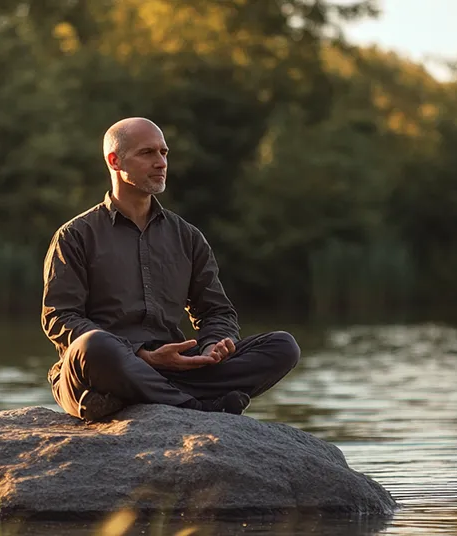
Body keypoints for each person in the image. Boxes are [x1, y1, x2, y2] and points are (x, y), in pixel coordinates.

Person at [40, 117, 301, 422]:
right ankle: (195, 407)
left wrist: (213, 345)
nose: (161, 162)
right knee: (94, 345)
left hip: (177, 368)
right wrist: (140, 354)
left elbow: (216, 312)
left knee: (283, 346)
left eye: (164, 153)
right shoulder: (75, 235)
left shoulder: (187, 236)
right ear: (115, 161)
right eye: (148, 153)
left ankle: (166, 395)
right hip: (102, 371)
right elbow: (59, 318)